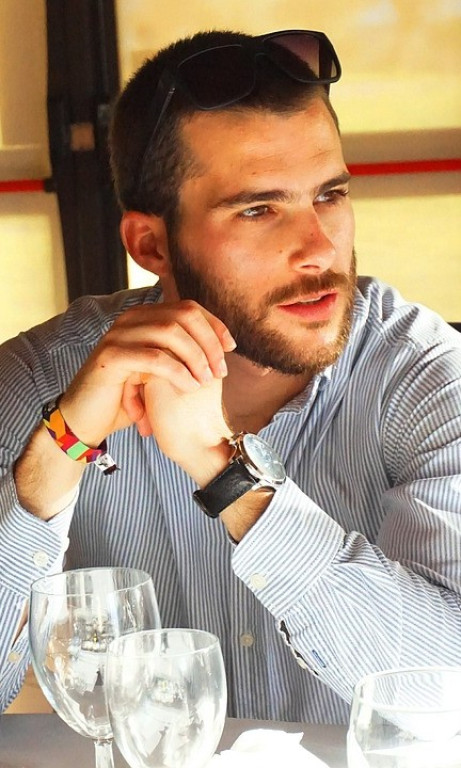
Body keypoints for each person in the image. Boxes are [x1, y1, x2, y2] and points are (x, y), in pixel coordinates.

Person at [0, 28, 460, 724]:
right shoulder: (42, 379)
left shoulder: (426, 375)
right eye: (258, 209)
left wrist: (228, 476)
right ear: (151, 244)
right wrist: (58, 455)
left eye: (329, 195)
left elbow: (449, 698)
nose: (317, 249)